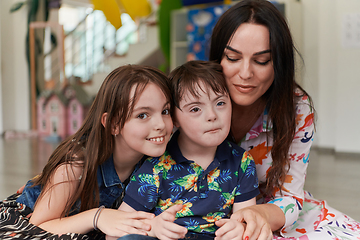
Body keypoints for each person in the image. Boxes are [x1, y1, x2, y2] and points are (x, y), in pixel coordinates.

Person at [209, 0, 360, 239]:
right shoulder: (192, 99)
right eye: (232, 58)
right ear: (217, 58)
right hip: (204, 214)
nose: (245, 73)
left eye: (261, 61)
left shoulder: (296, 107)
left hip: (274, 213)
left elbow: (289, 197)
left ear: (278, 63)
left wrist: (258, 217)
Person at [0, 65, 174, 239]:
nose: (161, 124)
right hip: (33, 224)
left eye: (165, 111)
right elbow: (38, 226)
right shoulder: (76, 163)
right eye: (142, 115)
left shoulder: (157, 159)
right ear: (113, 124)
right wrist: (97, 216)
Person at [111, 60, 260, 240]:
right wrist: (153, 228)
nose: (212, 116)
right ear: (174, 118)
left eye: (220, 103)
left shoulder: (241, 161)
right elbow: (114, 233)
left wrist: (239, 228)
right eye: (195, 109)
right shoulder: (156, 167)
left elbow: (246, 218)